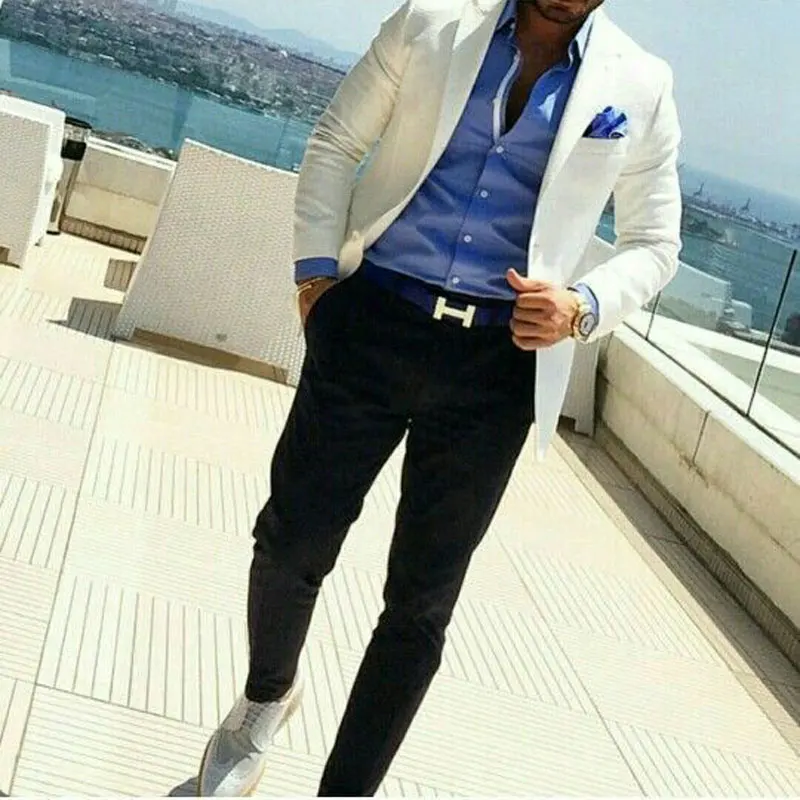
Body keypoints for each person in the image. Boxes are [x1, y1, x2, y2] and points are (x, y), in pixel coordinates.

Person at [198, 0, 682, 795]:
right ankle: (265, 699)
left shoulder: (642, 82)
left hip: (496, 365)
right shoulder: (432, 19)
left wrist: (583, 305)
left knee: (420, 605)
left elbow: (655, 243)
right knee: (291, 540)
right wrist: (315, 274)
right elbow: (337, 139)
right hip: (374, 320)